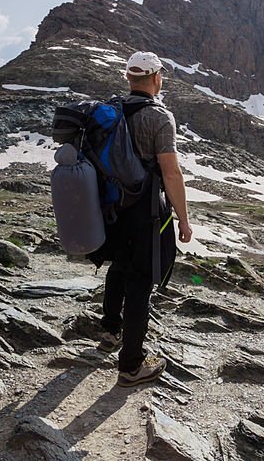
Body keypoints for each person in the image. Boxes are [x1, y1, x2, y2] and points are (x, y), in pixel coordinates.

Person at [91, 51, 193, 387]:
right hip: (144, 211)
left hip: (110, 207)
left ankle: (109, 332)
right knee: (139, 282)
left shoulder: (112, 111)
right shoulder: (159, 117)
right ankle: (132, 366)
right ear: (155, 77)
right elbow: (171, 172)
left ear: (129, 78)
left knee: (119, 267)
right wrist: (183, 218)